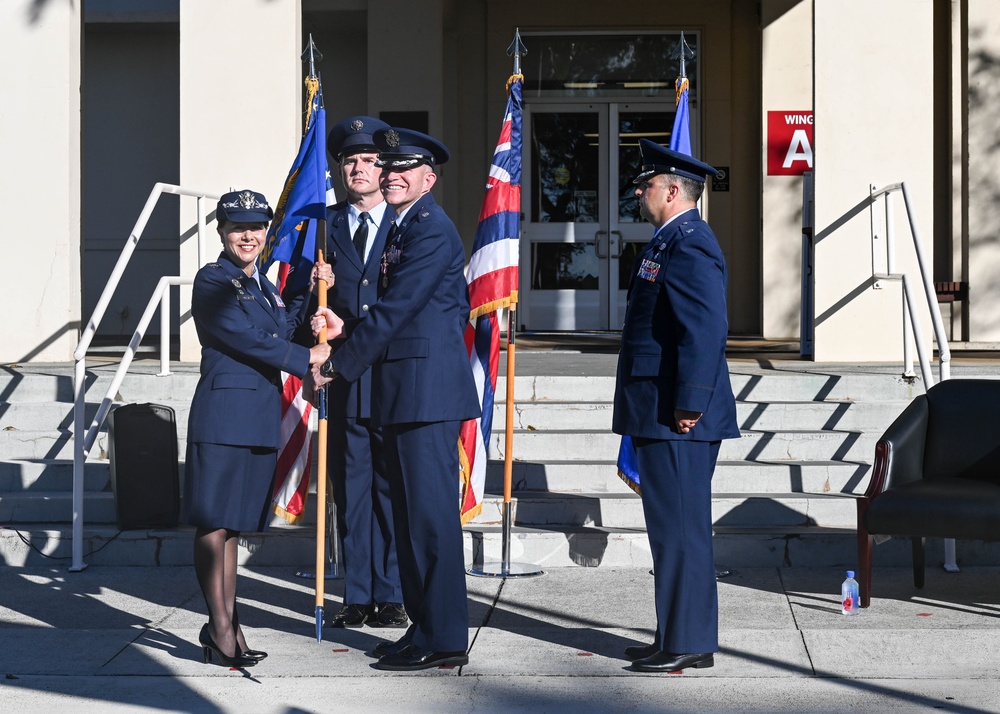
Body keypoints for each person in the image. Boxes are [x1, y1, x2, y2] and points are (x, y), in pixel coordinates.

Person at [311, 128, 480, 672]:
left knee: (429, 519)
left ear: (428, 179)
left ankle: (446, 635)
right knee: (409, 519)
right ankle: (423, 627)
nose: (391, 175)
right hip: (404, 392)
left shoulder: (430, 230)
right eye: (388, 168)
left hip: (425, 396)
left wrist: (340, 361)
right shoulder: (405, 229)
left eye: (404, 169)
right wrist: (346, 322)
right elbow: (388, 310)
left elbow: (398, 309)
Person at [184, 189, 337, 667]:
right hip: (224, 417)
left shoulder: (261, 285)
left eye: (255, 227)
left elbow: (280, 327)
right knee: (214, 522)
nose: (247, 236)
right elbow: (240, 334)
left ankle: (228, 622)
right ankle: (221, 627)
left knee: (234, 527)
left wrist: (308, 290)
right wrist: (304, 357)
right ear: (222, 232)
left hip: (257, 418)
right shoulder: (214, 280)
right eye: (237, 228)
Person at [612, 141, 739, 673]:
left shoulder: (689, 243)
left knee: (683, 530)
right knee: (669, 530)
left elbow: (704, 329)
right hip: (658, 407)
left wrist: (689, 402)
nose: (640, 194)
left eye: (646, 185)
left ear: (671, 189)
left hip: (676, 411)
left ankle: (688, 641)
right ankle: (674, 633)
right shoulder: (668, 242)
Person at [289, 116, 406, 629]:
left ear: (386, 171)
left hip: (394, 375)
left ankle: (394, 591)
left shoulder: (410, 224)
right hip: (343, 378)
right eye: (350, 161)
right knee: (351, 486)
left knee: (391, 486)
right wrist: (314, 295)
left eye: (369, 161)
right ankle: (357, 594)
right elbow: (296, 305)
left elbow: (410, 303)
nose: (358, 168)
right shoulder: (325, 227)